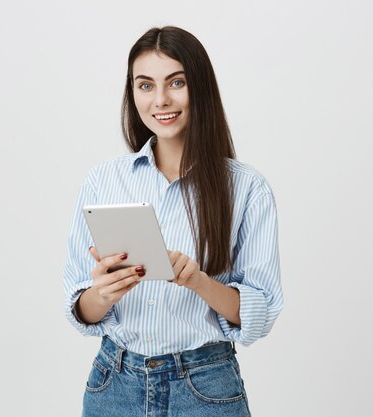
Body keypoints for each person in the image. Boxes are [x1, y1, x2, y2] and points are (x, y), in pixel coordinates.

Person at [62, 26, 283, 417]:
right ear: (132, 93)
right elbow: (79, 307)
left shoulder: (246, 188)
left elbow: (259, 312)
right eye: (145, 85)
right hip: (114, 384)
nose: (160, 99)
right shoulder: (103, 181)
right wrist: (103, 294)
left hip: (205, 387)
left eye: (175, 82)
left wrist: (199, 282)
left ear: (200, 87)